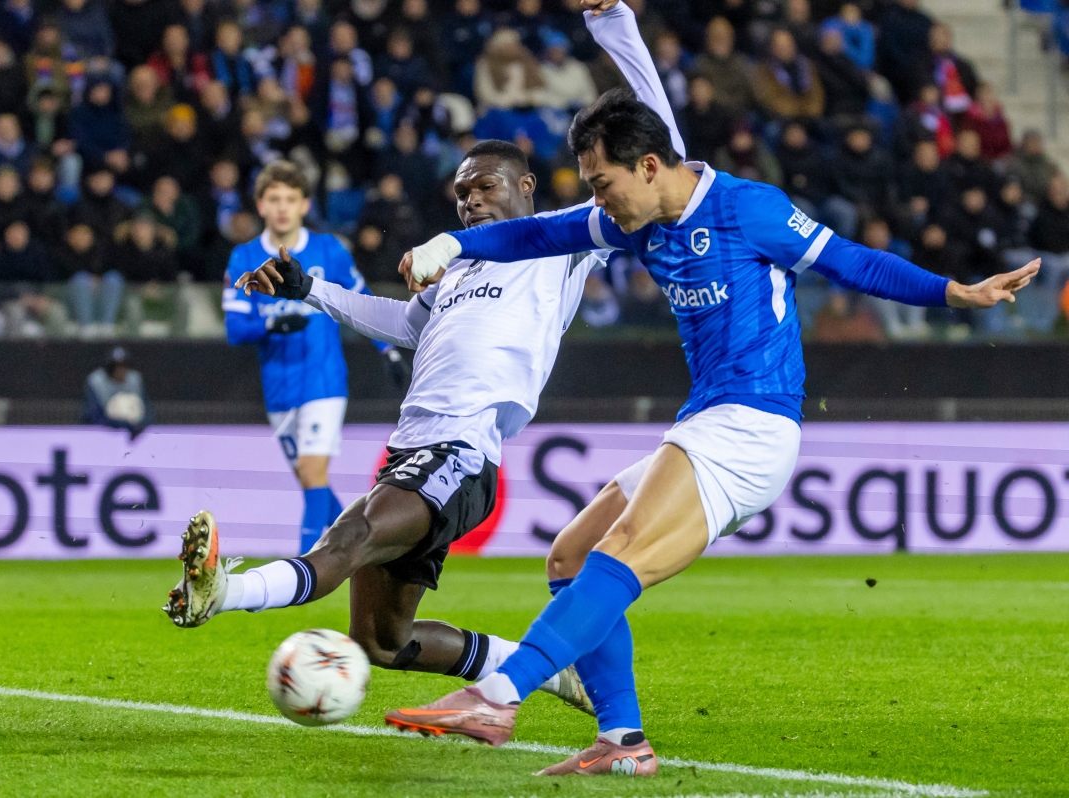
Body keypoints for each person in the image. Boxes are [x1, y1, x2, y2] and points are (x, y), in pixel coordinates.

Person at [386, 0, 1039, 775]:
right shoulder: (632, 220)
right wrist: (450, 241)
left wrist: (954, 294)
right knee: (572, 553)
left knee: (619, 552)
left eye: (602, 184)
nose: (597, 202)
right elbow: (533, 233)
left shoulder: (747, 209)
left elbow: (853, 264)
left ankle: (499, 693)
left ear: (650, 166)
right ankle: (622, 740)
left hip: (754, 423)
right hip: (713, 419)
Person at [165, 143, 618, 714]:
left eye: (485, 187)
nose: (472, 202)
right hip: (412, 447)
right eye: (461, 193)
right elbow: (402, 325)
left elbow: (646, 189)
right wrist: (309, 291)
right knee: (381, 639)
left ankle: (225, 592)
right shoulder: (457, 268)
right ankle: (549, 668)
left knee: (348, 537)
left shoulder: (564, 243)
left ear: (526, 185)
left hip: (463, 449)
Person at [213, 162, 409, 556]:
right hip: (278, 388)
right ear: (261, 206)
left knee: (313, 472)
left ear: (304, 205)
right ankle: (367, 553)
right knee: (312, 482)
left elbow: (362, 303)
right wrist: (272, 328)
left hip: (324, 380)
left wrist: (387, 350)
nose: (283, 207)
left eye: (290, 199)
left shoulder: (328, 250)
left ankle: (301, 567)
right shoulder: (244, 257)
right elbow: (235, 330)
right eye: (274, 199)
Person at [82, 346, 149, 437]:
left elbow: (147, 411)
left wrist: (138, 424)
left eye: (123, 366)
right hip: (103, 435)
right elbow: (91, 415)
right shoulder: (97, 382)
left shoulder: (134, 380)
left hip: (134, 434)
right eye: (116, 367)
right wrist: (120, 424)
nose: (120, 371)